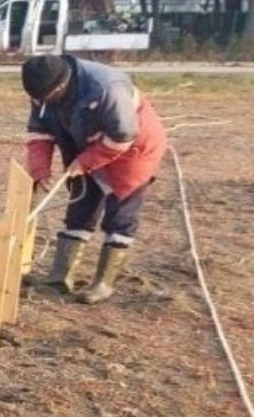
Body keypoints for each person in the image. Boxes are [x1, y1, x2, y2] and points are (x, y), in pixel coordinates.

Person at [21, 54, 167, 304]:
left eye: (46, 97)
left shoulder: (107, 89)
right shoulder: (42, 90)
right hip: (85, 145)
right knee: (80, 207)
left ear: (60, 86)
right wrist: (40, 168)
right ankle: (60, 276)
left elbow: (122, 136)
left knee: (120, 216)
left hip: (131, 151)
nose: (41, 102)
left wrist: (87, 161)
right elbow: (40, 133)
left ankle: (104, 283)